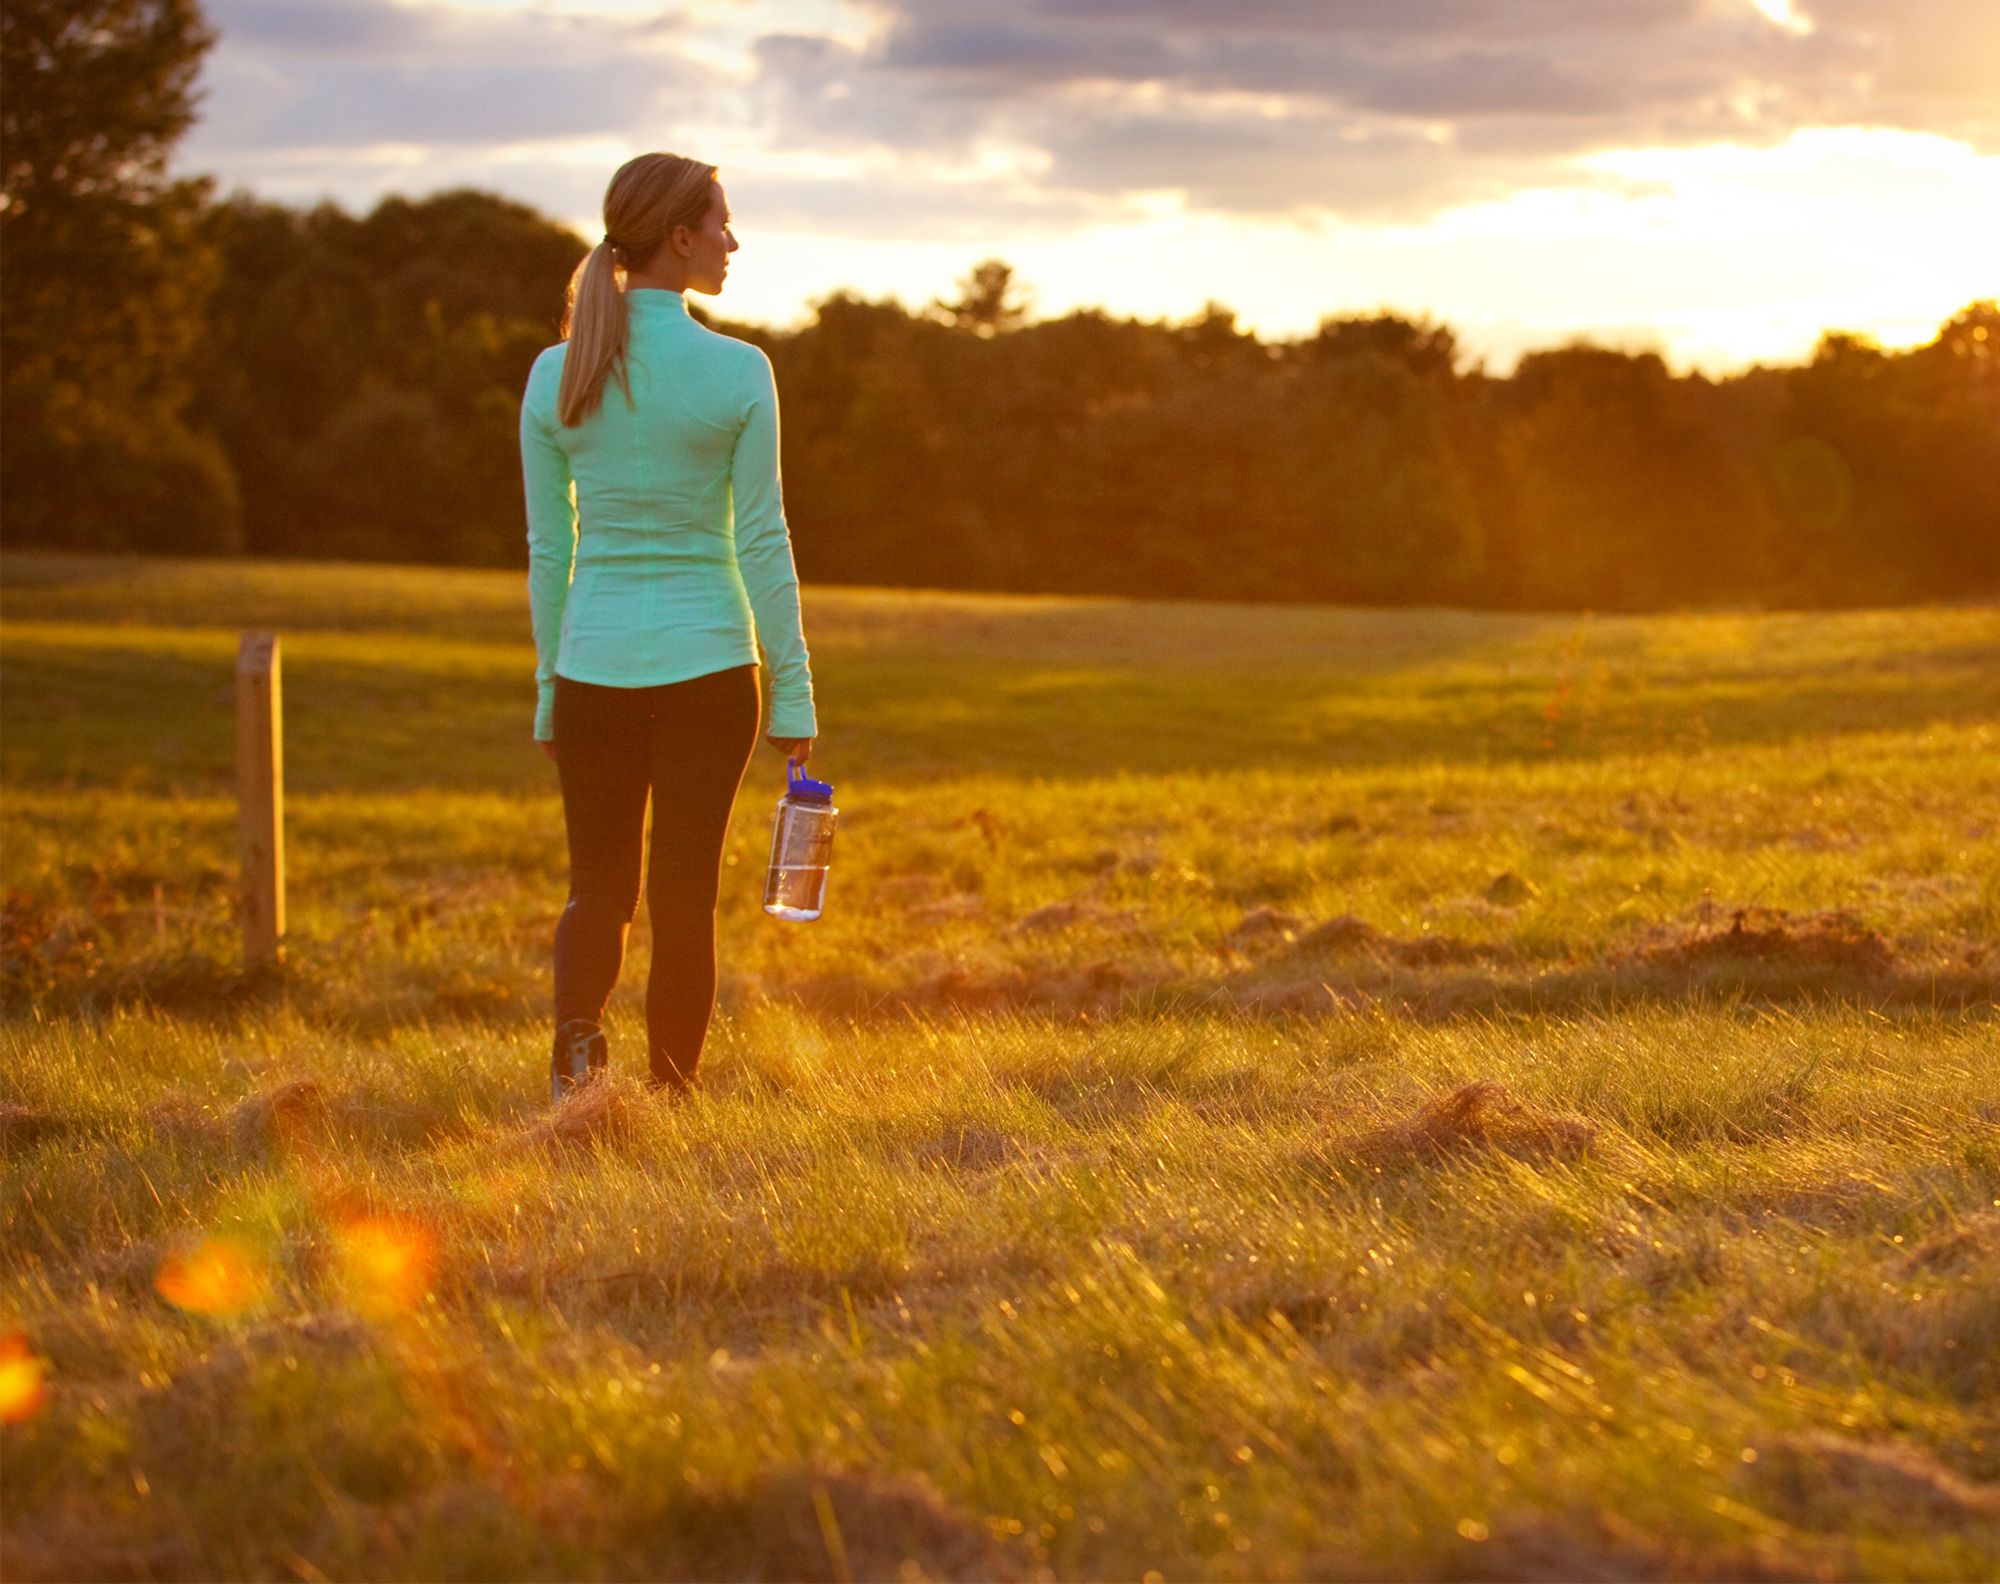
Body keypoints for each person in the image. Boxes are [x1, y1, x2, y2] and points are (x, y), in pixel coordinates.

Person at [520, 151, 817, 1103]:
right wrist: (797, 690)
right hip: (711, 672)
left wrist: (548, 694)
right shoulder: (738, 370)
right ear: (680, 238)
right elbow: (764, 540)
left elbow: (550, 554)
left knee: (596, 890)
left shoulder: (554, 373)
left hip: (593, 673)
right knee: (683, 901)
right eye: (722, 224)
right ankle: (671, 1103)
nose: (733, 241)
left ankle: (576, 1077)